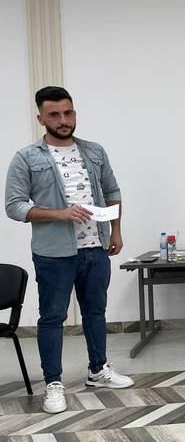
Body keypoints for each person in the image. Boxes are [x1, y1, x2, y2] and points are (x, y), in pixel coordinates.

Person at [5, 86, 134, 414]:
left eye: (68, 113)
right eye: (54, 115)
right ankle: (53, 384)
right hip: (53, 253)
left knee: (95, 312)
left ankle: (98, 370)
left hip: (95, 248)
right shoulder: (27, 157)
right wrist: (59, 214)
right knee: (52, 318)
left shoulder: (94, 151)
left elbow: (112, 191)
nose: (63, 120)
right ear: (41, 118)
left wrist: (116, 230)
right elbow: (14, 206)